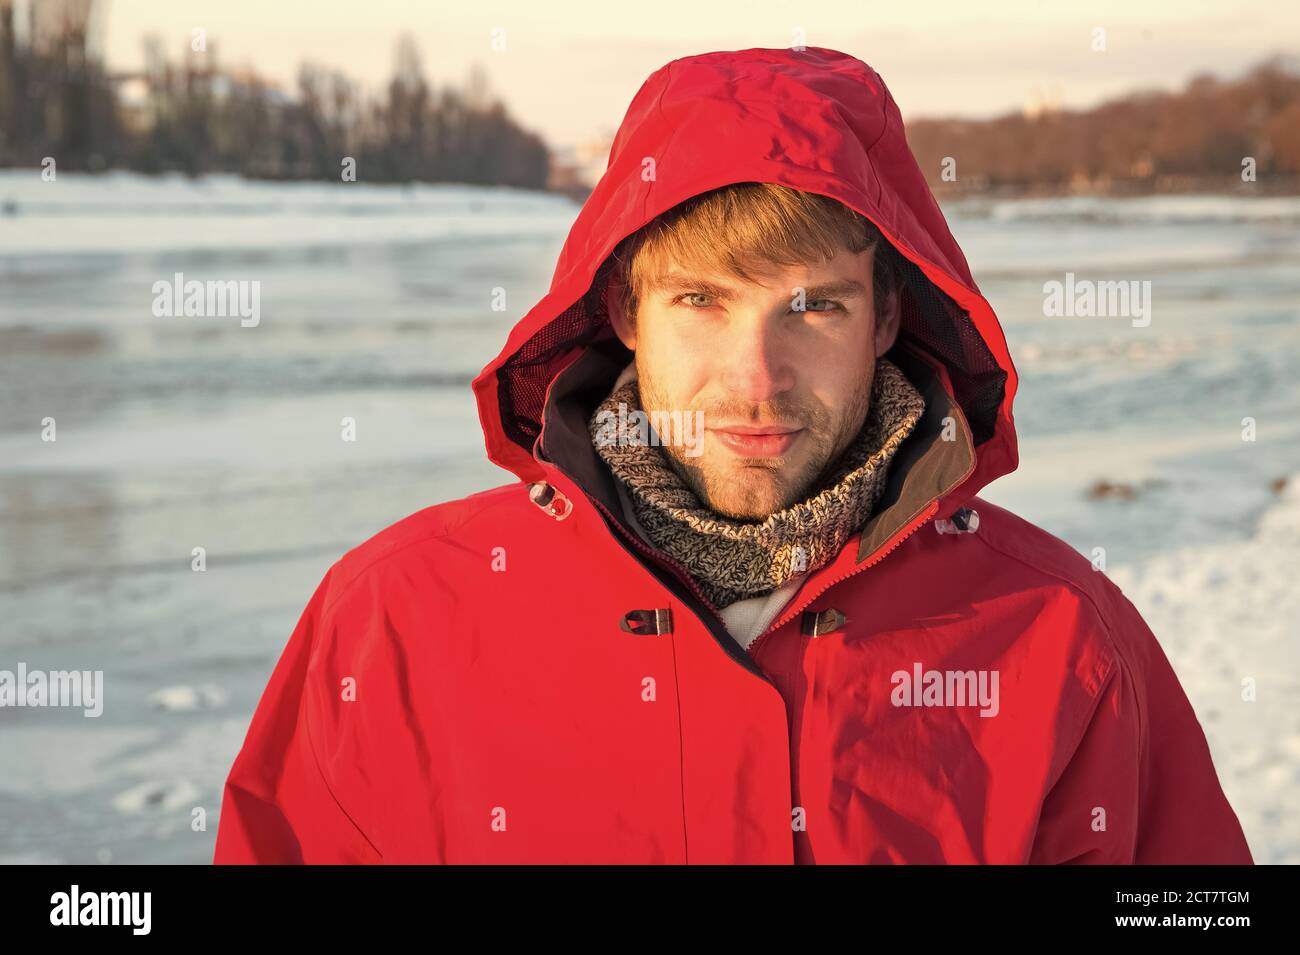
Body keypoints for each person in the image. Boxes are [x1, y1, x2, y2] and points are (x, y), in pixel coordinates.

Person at [213, 46, 1252, 864]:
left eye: (812, 306)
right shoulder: (396, 621)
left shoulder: (1054, 636)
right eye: (699, 301)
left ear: (886, 315)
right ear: (622, 308)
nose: (755, 377)